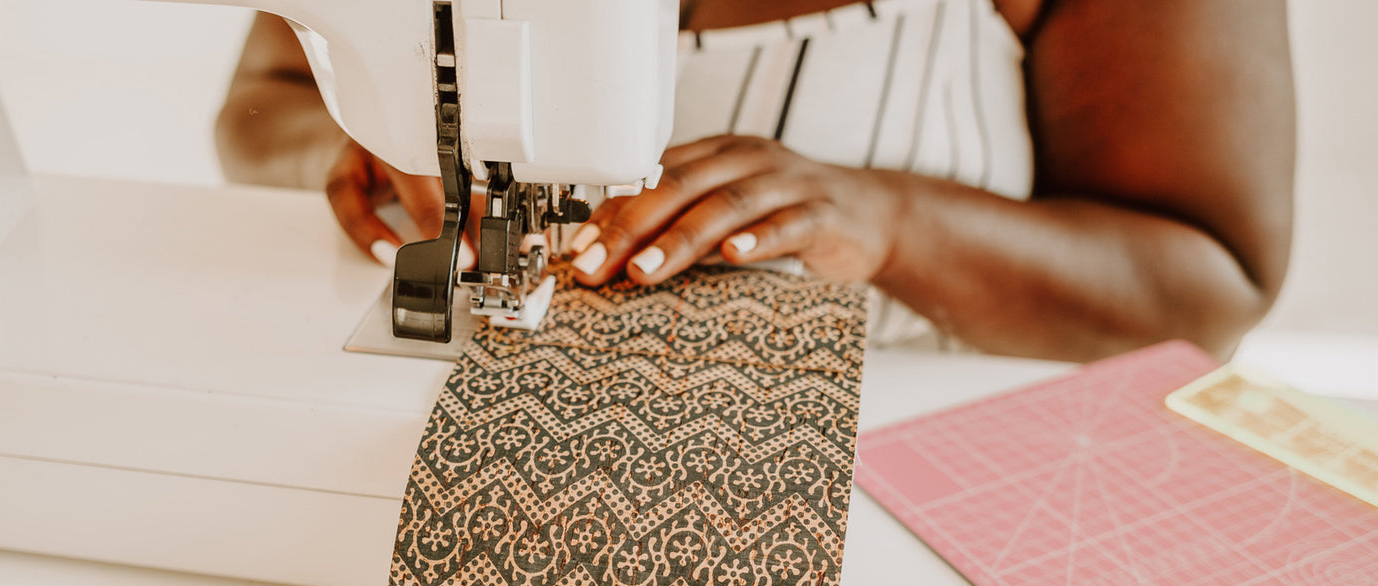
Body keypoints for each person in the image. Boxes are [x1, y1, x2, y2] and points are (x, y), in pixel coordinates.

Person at [216, 0, 1294, 363]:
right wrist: (376, 136)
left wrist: (895, 222)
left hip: (957, 514)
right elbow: (263, 104)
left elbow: (1211, 281)